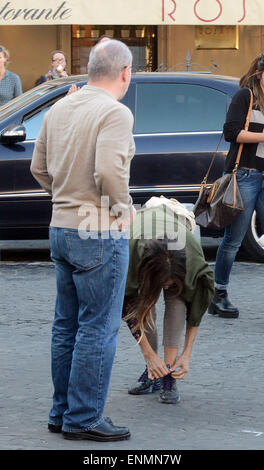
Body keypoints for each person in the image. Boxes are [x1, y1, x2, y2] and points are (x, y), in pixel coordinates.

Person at [31, 39, 135, 441]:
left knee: (66, 325)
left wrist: (65, 197)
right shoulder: (115, 112)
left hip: (61, 225)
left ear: (91, 68)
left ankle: (63, 413)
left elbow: (38, 167)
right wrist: (123, 211)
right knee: (98, 327)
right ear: (125, 72)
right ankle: (84, 417)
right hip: (98, 228)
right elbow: (110, 174)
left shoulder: (60, 107)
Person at [122, 201, 214, 404]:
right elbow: (127, 306)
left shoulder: (193, 261)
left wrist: (186, 354)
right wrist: (149, 355)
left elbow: (197, 308)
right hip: (142, 241)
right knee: (144, 305)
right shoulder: (129, 253)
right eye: (162, 284)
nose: (164, 287)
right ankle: (153, 369)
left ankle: (168, 374)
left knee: (177, 301)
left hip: (177, 238)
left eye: (169, 283)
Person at [209, 53, 264, 319]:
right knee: (234, 240)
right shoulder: (246, 97)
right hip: (246, 175)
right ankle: (219, 295)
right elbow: (231, 132)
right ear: (259, 74)